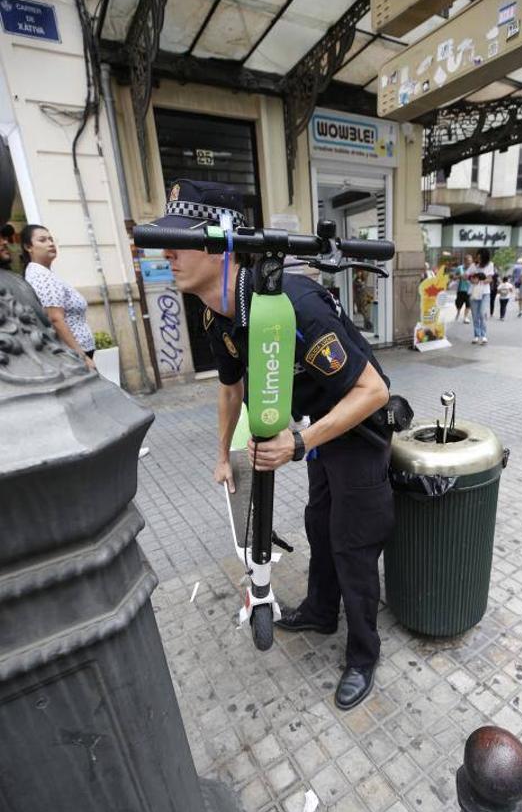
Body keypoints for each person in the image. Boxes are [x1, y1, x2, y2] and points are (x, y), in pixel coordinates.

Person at [154, 180, 395, 710]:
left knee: (352, 545)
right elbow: (230, 387)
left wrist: (300, 442)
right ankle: (318, 610)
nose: (166, 252)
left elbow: (374, 391)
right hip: (315, 433)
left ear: (223, 248)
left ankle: (362, 654)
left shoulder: (293, 301)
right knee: (318, 524)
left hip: (357, 433)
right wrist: (222, 455)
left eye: (181, 241)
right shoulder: (219, 312)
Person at [22, 224, 96, 369]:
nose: (50, 244)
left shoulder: (45, 273)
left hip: (77, 352)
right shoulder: (42, 276)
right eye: (42, 240)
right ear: (28, 247)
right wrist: (82, 356)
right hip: (76, 355)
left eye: (51, 239)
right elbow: (55, 318)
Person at [469, 272, 488, 344]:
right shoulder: (472, 282)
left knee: (482, 315)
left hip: (483, 296)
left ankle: (483, 335)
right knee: (475, 317)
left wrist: (481, 280)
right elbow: (469, 278)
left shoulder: (483, 283)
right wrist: (473, 279)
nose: (474, 279)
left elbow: (489, 279)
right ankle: (476, 335)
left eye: (476, 278)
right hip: (473, 298)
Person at [454, 254, 472, 323]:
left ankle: (465, 317)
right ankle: (458, 312)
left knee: (468, 304)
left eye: (470, 261)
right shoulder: (460, 268)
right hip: (460, 289)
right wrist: (460, 276)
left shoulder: (473, 269)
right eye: (468, 261)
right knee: (458, 304)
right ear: (465, 261)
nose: (469, 263)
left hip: (470, 290)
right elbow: (454, 277)